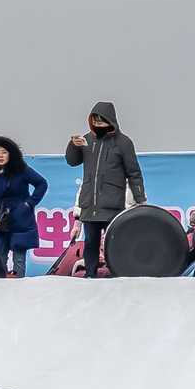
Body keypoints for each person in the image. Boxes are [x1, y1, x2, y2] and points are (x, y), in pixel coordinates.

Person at [64, 101, 146, 277]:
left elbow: (134, 172)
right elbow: (72, 161)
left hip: (113, 205)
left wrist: (140, 199)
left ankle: (118, 275)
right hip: (90, 204)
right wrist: (73, 146)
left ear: (111, 121)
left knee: (114, 244)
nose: (98, 125)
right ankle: (90, 276)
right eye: (95, 121)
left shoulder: (123, 143)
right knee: (91, 243)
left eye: (101, 121)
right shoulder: (87, 140)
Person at [0, 136, 48, 277]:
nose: (0, 156)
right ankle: (1, 284)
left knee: (19, 256)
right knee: (0, 254)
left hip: (21, 217)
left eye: (4, 152)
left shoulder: (21, 169)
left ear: (11, 153)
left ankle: (19, 285)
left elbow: (42, 183)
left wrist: (29, 203)